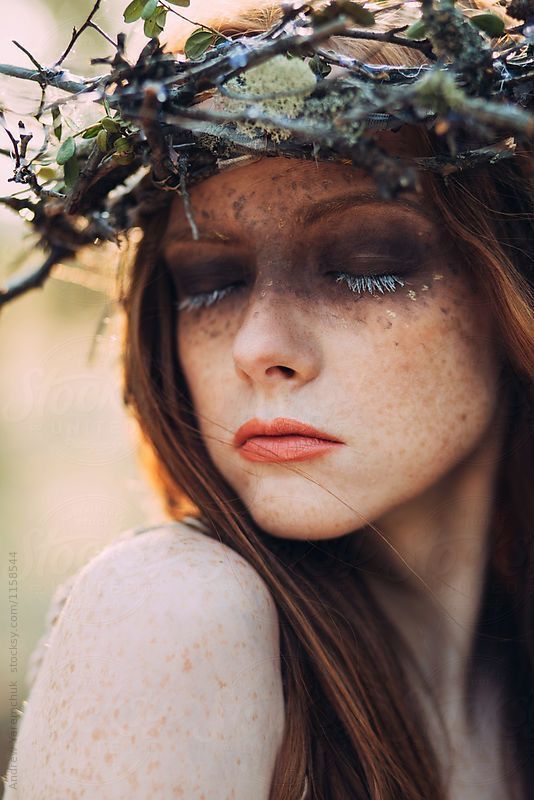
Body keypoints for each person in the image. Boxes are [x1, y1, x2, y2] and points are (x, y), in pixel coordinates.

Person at [3, 2, 533, 798]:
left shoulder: (511, 682)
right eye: (211, 283)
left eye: (364, 262)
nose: (259, 347)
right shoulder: (172, 612)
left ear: (509, 290)